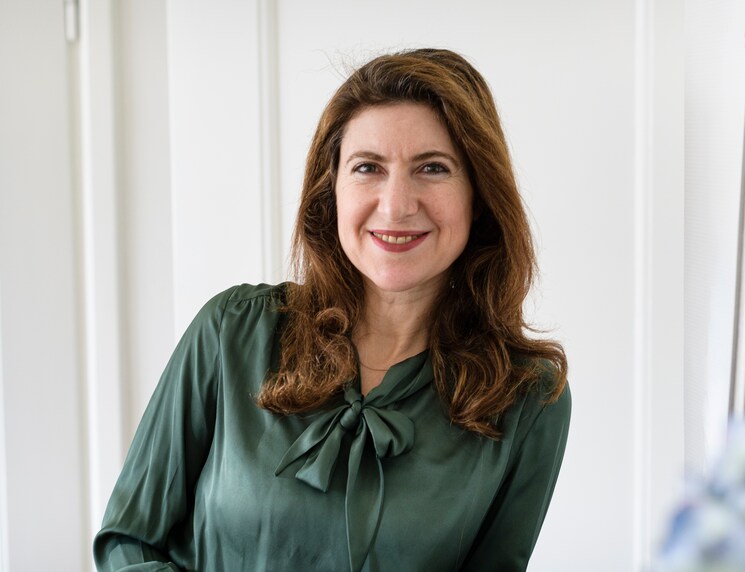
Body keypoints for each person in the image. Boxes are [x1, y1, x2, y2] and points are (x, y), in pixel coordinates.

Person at [94, 48, 571, 572]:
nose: (396, 205)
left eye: (433, 168)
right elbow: (128, 541)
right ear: (333, 191)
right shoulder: (230, 331)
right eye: (368, 167)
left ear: (477, 194)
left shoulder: (528, 396)